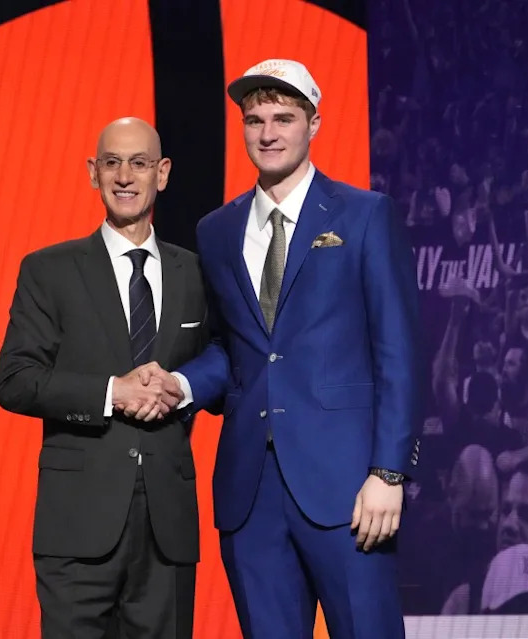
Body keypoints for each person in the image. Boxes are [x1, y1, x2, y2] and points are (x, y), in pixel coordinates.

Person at [146, 59, 424, 638]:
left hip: (350, 488)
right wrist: (183, 385)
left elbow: (399, 353)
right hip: (251, 494)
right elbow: (232, 348)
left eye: (283, 118)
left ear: (313, 124)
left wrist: (389, 473)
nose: (267, 133)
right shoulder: (216, 231)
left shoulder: (365, 215)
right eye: (255, 121)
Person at [0, 117, 207, 638]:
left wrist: (183, 387)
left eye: (139, 163)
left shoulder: (196, 273)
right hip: (77, 524)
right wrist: (113, 392)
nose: (125, 176)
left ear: (163, 173)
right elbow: (16, 379)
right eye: (112, 162)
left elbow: (222, 361)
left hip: (167, 528)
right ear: (93, 173)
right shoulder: (49, 270)